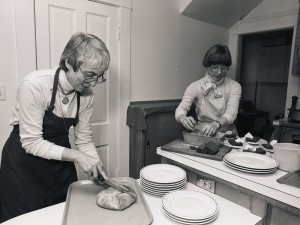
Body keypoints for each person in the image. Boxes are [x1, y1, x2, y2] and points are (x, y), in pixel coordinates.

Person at [0, 32, 127, 222]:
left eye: (99, 77)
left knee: (64, 216)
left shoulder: (86, 95)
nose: (93, 83)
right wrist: (78, 156)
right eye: (89, 75)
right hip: (24, 166)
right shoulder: (34, 85)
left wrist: (94, 164)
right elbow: (32, 142)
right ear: (69, 62)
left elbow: (83, 138)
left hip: (59, 167)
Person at [175, 44, 242, 136]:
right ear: (207, 65)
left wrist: (216, 124)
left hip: (227, 132)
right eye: (215, 67)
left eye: (223, 68)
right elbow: (181, 109)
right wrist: (183, 118)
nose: (219, 72)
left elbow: (232, 113)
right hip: (203, 132)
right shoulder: (195, 86)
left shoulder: (234, 86)